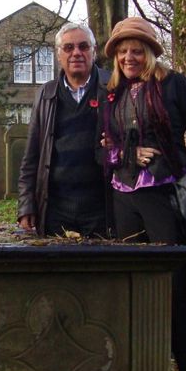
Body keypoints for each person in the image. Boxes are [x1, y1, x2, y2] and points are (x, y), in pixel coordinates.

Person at [98, 16, 186, 371]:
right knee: (131, 288)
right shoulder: (111, 94)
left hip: (163, 194)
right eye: (122, 51)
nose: (129, 57)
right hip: (123, 199)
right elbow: (102, 149)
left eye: (136, 50)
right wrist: (126, 153)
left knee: (174, 289)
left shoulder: (173, 84)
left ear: (148, 53)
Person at [17, 23, 110, 236]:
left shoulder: (112, 86)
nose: (76, 53)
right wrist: (26, 205)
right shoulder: (46, 94)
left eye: (83, 46)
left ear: (94, 52)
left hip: (102, 207)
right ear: (59, 55)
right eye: (68, 48)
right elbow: (31, 156)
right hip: (56, 208)